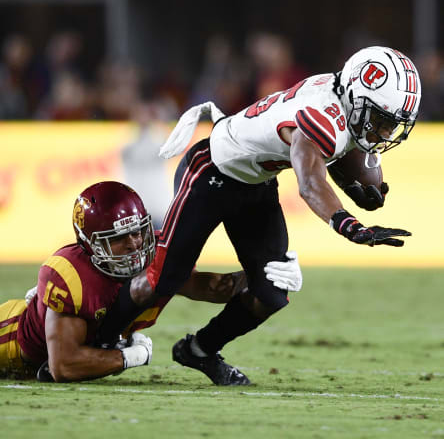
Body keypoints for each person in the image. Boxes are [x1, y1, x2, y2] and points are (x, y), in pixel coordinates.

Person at [96, 46, 421, 386]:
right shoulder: (321, 116)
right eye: (381, 120)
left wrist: (360, 189)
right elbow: (310, 184)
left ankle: (200, 350)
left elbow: (337, 153)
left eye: (391, 124)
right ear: (356, 97)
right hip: (211, 173)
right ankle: (99, 338)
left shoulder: (341, 96)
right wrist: (349, 225)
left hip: (255, 184)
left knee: (272, 291)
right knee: (161, 278)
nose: (384, 132)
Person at [0, 183, 303, 383]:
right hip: (11, 343)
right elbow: (64, 365)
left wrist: (267, 273)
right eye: (118, 240)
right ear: (90, 241)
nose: (135, 249)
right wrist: (131, 356)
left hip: (27, 332)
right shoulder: (70, 273)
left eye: (140, 234)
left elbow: (211, 287)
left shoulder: (153, 255)